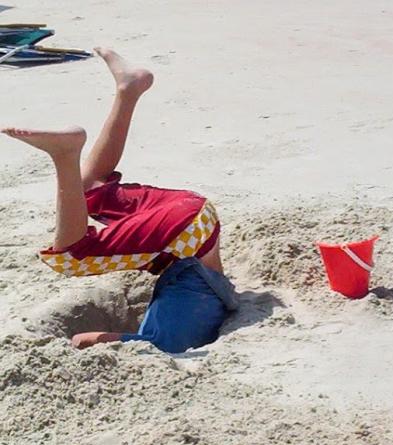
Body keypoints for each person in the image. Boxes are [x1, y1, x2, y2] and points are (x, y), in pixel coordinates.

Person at [2, 48, 238, 353]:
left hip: (196, 213)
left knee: (87, 190)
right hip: (185, 237)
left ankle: (129, 89)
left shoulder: (210, 301)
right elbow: (87, 341)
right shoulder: (162, 344)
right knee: (71, 257)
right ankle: (64, 153)